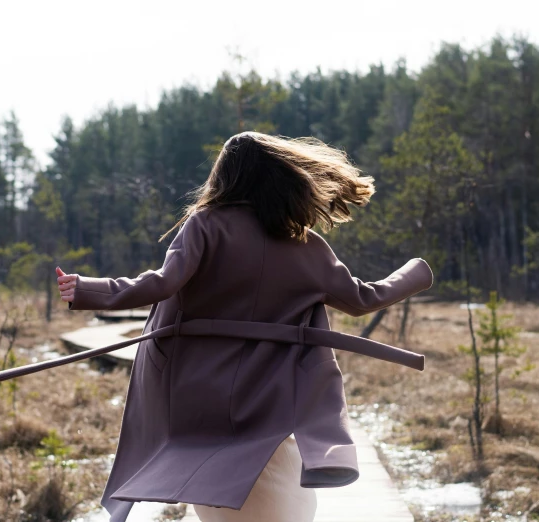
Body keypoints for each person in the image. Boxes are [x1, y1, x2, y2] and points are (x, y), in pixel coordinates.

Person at [55, 131, 433, 522]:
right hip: (270, 398)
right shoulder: (306, 244)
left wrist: (88, 290)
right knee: (277, 491)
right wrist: (415, 274)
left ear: (225, 176)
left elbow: (162, 282)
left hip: (198, 397)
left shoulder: (205, 226)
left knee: (215, 493)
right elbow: (363, 299)